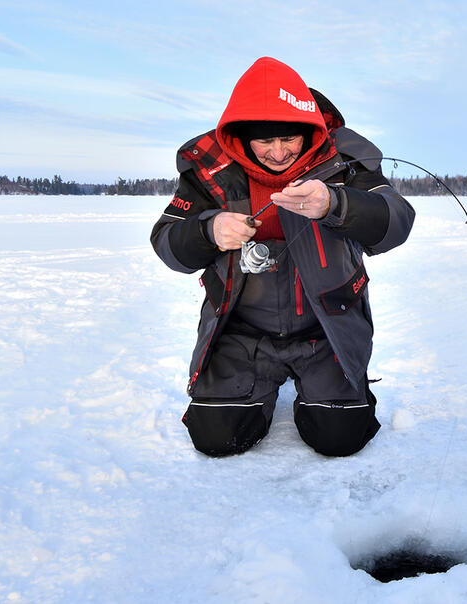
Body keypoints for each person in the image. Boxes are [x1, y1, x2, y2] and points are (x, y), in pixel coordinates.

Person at [151, 57, 415, 457]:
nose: (278, 153)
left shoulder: (343, 162)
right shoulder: (209, 171)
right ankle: (259, 381)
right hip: (242, 333)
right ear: (241, 137)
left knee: (340, 438)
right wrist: (209, 230)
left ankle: (326, 385)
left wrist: (336, 204)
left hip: (325, 329)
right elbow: (168, 243)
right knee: (217, 438)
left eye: (289, 138)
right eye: (264, 141)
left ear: (308, 130)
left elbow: (397, 220)